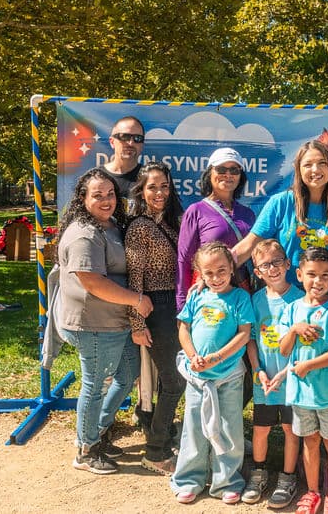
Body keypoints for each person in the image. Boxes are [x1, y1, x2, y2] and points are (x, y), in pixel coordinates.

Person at [51, 167, 149, 474]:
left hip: (113, 323)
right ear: (83, 198)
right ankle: (86, 449)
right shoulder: (84, 234)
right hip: (92, 325)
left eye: (110, 194)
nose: (106, 200)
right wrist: (136, 299)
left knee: (129, 372)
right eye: (98, 195)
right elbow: (93, 282)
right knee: (94, 386)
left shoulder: (107, 225)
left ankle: (98, 429)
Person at [171, 241, 256, 504]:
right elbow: (183, 328)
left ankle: (227, 481)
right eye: (209, 273)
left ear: (232, 267)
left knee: (229, 427)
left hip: (228, 375)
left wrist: (216, 358)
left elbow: (244, 334)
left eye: (221, 270)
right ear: (200, 274)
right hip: (197, 377)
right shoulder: (196, 295)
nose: (216, 278)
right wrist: (194, 357)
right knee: (193, 428)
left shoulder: (240, 297)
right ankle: (189, 479)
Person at [233, 140, 328, 304]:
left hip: (324, 305)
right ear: (298, 170)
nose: (315, 169)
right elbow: (247, 245)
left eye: (322, 163)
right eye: (308, 164)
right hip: (282, 303)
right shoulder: (280, 203)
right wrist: (213, 271)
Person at [125, 161, 187, 475]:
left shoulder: (175, 222)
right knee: (175, 382)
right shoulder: (139, 227)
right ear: (142, 190)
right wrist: (137, 324)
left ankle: (164, 433)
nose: (159, 192)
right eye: (152, 187)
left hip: (177, 305)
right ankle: (155, 451)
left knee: (172, 379)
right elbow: (134, 277)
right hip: (155, 306)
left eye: (164, 186)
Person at [278, 247, 328, 514]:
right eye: (311, 275)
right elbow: (283, 350)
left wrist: (309, 365)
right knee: (310, 442)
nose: (317, 281)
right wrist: (294, 329)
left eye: (324, 276)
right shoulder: (292, 309)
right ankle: (312, 492)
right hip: (301, 395)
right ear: (299, 275)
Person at [242, 239, 303, 508]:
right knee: (261, 430)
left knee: (291, 430)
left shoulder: (302, 299)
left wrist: (286, 374)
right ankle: (258, 473)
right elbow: (251, 339)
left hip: (293, 382)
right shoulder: (255, 301)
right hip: (264, 382)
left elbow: (305, 349)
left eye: (277, 262)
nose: (273, 268)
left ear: (288, 264)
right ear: (257, 271)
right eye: (265, 265)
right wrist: (258, 371)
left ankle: (287, 478)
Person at [177, 147, 257, 310]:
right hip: (208, 293)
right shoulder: (196, 211)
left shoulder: (248, 214)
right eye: (221, 169)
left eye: (234, 170)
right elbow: (184, 260)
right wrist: (182, 305)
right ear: (209, 173)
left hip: (242, 293)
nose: (228, 174)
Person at [104, 116, 146, 203]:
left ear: (142, 144)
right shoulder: (94, 179)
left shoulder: (150, 178)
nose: (131, 143)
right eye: (124, 137)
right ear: (112, 142)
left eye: (137, 138)